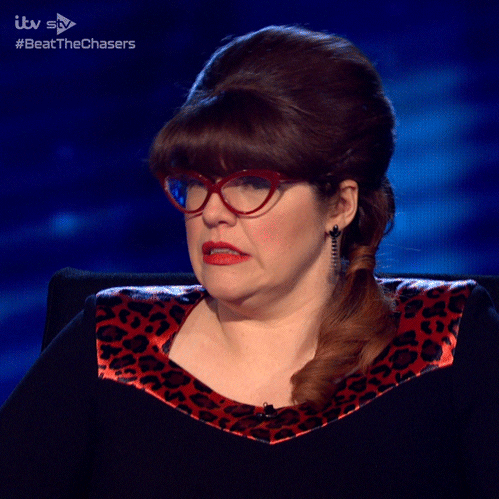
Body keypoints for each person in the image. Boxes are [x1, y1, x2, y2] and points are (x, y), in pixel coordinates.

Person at [1, 25, 498, 498]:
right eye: (197, 181)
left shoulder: (447, 341)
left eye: (252, 183)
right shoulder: (113, 342)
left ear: (340, 205)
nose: (212, 211)